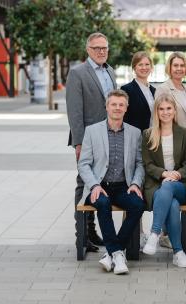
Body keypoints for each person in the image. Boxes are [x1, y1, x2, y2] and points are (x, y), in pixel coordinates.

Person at [78, 90, 145, 274]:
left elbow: (140, 163)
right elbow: (83, 164)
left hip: (124, 185)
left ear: (126, 108)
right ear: (107, 106)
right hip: (99, 186)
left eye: (121, 105)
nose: (117, 108)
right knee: (103, 203)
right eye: (113, 104)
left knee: (138, 205)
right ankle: (117, 253)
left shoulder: (135, 132)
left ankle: (112, 253)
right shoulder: (92, 131)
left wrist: (135, 184)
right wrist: (94, 185)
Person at [66, 32, 116, 250]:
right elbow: (74, 112)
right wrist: (79, 143)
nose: (101, 51)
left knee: (100, 183)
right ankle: (82, 236)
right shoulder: (77, 73)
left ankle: (92, 231)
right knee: (84, 183)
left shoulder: (110, 71)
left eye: (104, 48)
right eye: (97, 48)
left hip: (109, 135)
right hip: (87, 139)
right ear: (88, 50)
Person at [141, 94, 186, 268]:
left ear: (174, 110)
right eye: (161, 109)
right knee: (171, 204)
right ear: (156, 111)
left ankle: (154, 233)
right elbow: (147, 164)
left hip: (180, 184)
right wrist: (164, 174)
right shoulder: (148, 134)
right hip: (156, 184)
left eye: (168, 108)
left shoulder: (185, 133)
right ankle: (178, 252)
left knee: (170, 188)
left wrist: (176, 175)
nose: (165, 112)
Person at [155, 52, 186, 129]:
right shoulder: (162, 89)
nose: (179, 68)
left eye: (182, 65)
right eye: (175, 65)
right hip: (173, 137)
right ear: (170, 67)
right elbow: (157, 118)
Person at [122, 51, 156, 131]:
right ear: (134, 67)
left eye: (147, 64)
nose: (144, 68)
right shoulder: (126, 90)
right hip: (136, 138)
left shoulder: (154, 91)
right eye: (140, 64)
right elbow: (124, 118)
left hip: (154, 137)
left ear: (151, 67)